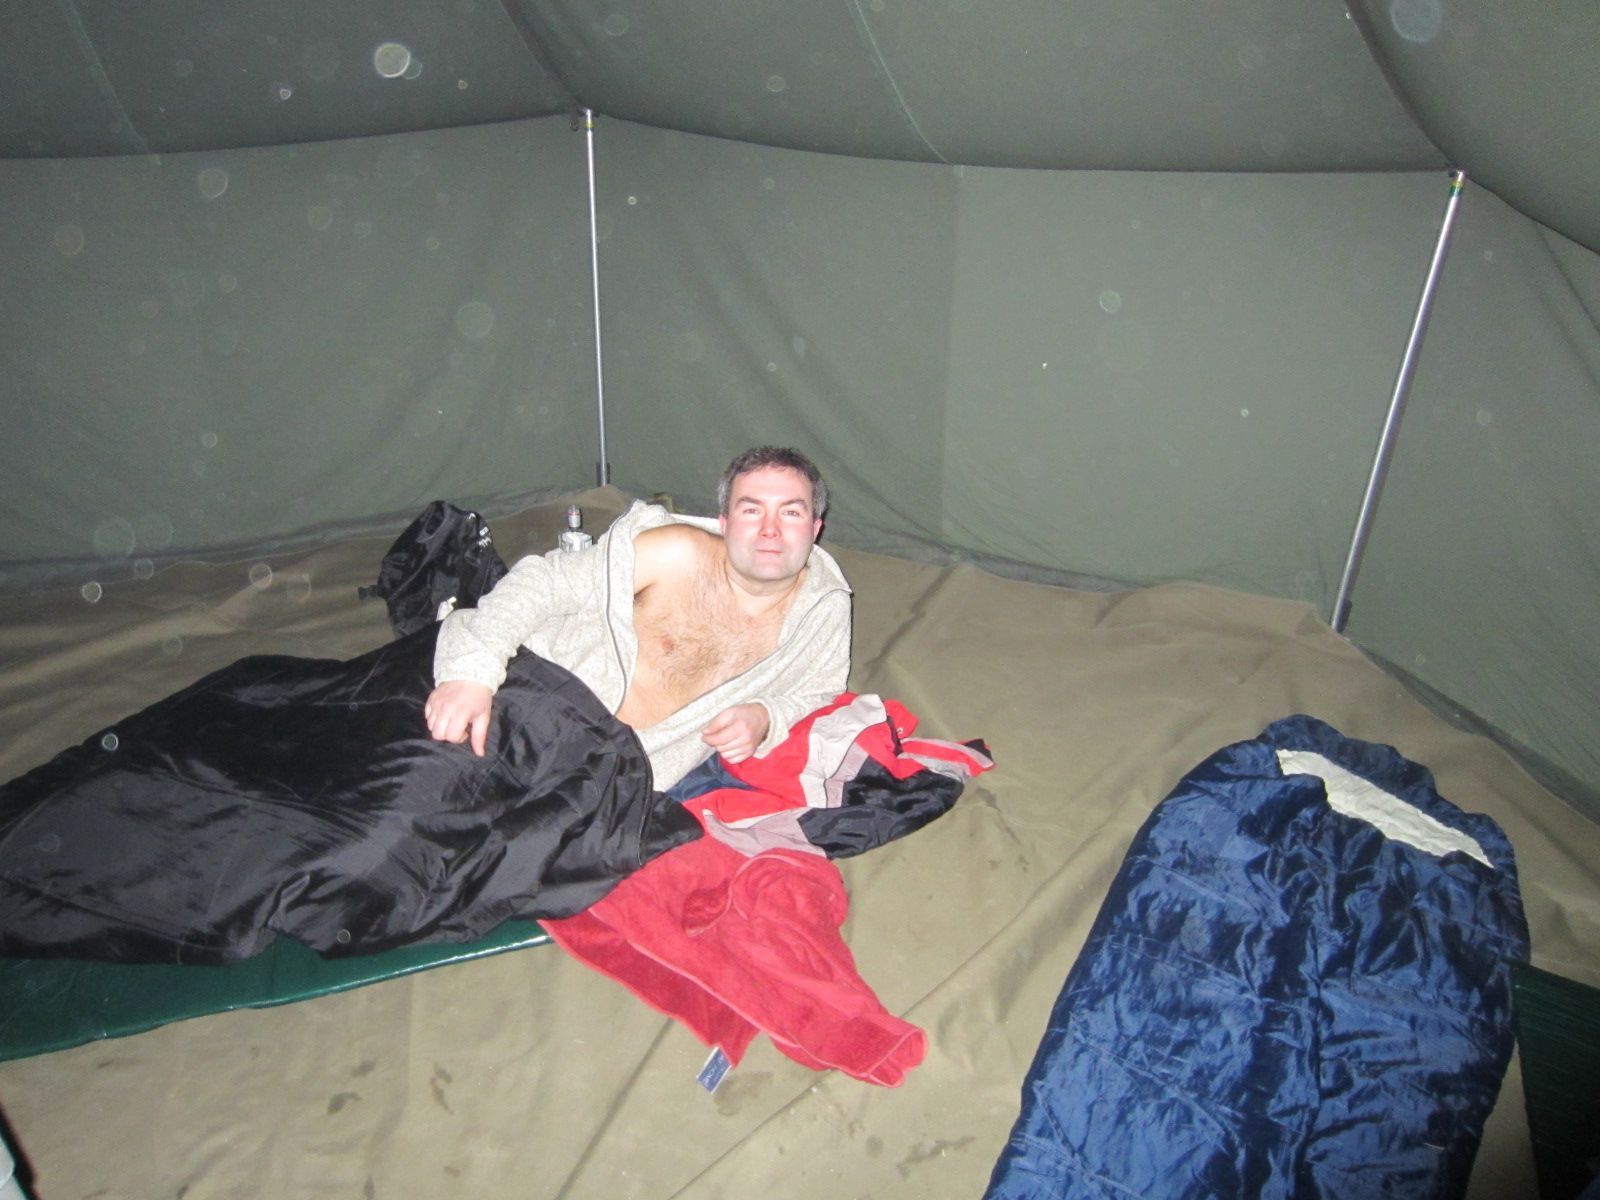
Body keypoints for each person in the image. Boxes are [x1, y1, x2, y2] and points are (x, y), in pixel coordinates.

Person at [423, 447, 852, 789]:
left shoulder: (823, 609)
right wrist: (471, 674)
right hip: (537, 697)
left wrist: (766, 716)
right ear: (724, 523)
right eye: (752, 510)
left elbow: (820, 690)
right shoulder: (676, 553)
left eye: (790, 512)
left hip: (623, 775)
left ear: (815, 528)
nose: (770, 529)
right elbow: (544, 582)